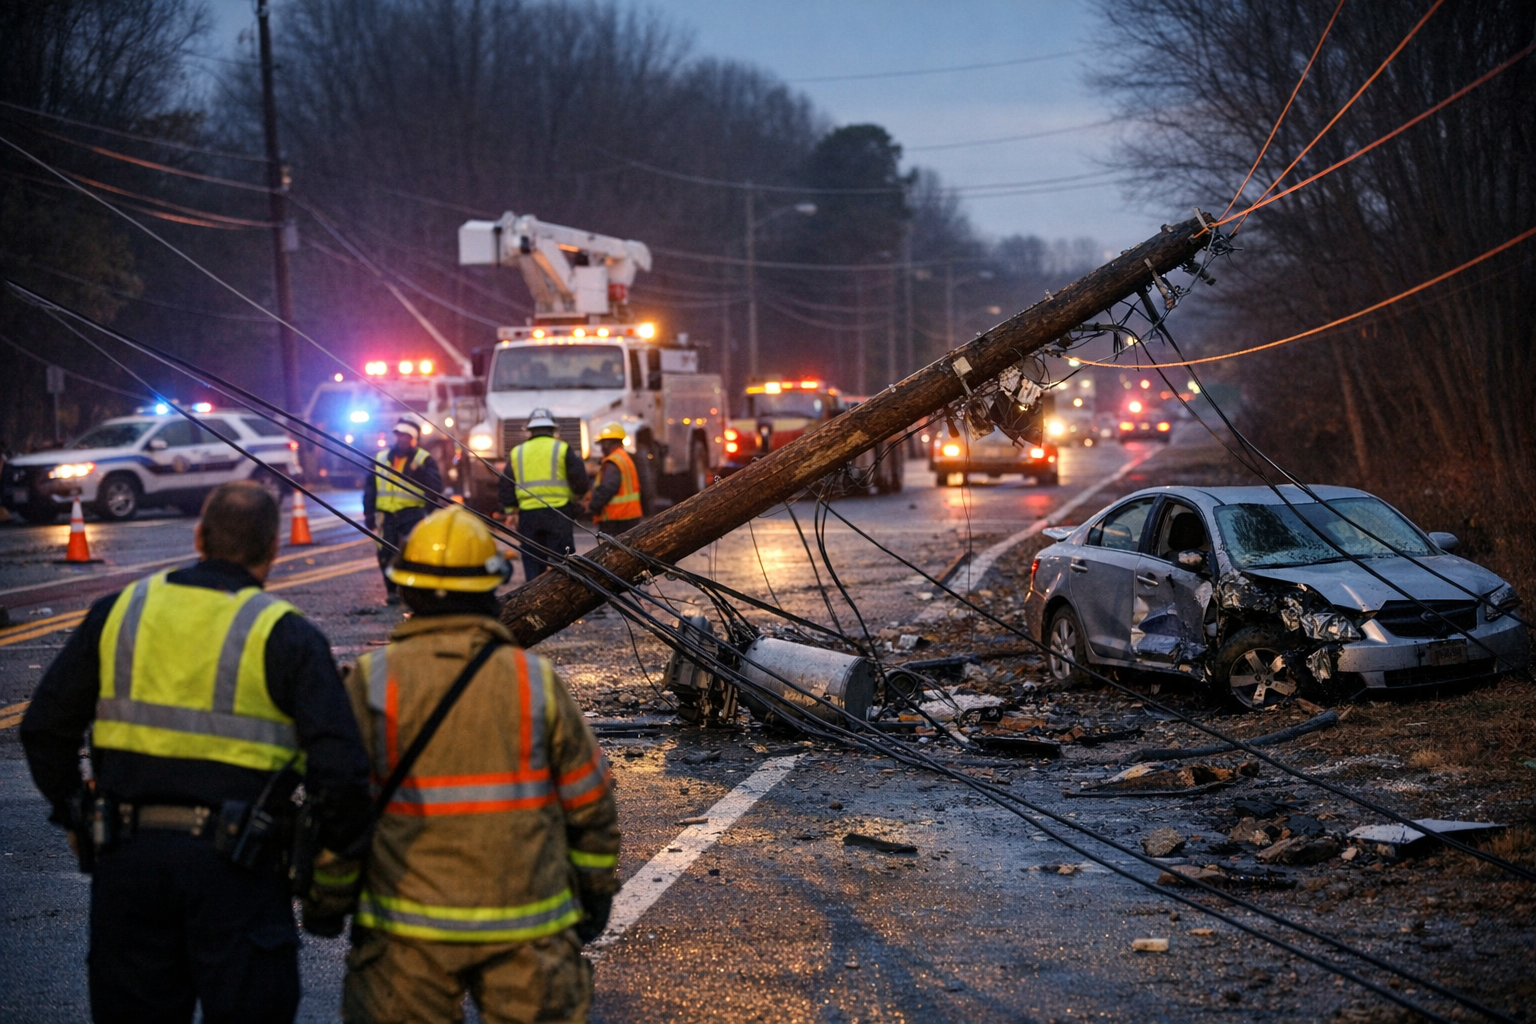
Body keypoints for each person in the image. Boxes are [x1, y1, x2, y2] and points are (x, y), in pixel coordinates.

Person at [19, 480, 373, 1024]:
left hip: (128, 861)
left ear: (198, 536)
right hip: (241, 871)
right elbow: (342, 770)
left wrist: (73, 809)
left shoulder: (121, 611)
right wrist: (326, 858)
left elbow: (44, 728)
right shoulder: (285, 635)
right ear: (273, 550)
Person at [334, 506, 620, 1024]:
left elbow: (341, 806)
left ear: (407, 593)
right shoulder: (535, 682)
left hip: (406, 939)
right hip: (528, 933)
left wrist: (327, 896)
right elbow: (590, 803)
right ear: (492, 593)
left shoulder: (372, 682)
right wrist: (596, 893)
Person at [500, 408, 589, 581]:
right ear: (552, 429)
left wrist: (511, 511)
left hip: (528, 514)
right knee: (563, 560)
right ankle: (563, 597)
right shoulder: (562, 448)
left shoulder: (517, 452)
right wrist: (579, 495)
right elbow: (579, 477)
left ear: (530, 431)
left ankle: (533, 600)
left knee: (532, 559)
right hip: (558, 512)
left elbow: (506, 483)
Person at [363, 416, 442, 604]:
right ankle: (392, 590)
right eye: (399, 435)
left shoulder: (423, 459)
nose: (402, 440)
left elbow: (435, 488)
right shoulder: (381, 458)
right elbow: (370, 487)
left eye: (406, 436)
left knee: (413, 554)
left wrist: (420, 475)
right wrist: (368, 512)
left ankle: (414, 590)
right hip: (386, 516)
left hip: (412, 514)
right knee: (385, 553)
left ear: (414, 439)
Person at [588, 422, 643, 536]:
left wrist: (593, 505)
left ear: (608, 443)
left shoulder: (613, 461)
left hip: (616, 519)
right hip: (629, 516)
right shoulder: (624, 458)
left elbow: (607, 488)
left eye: (602, 444)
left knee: (611, 553)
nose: (602, 448)